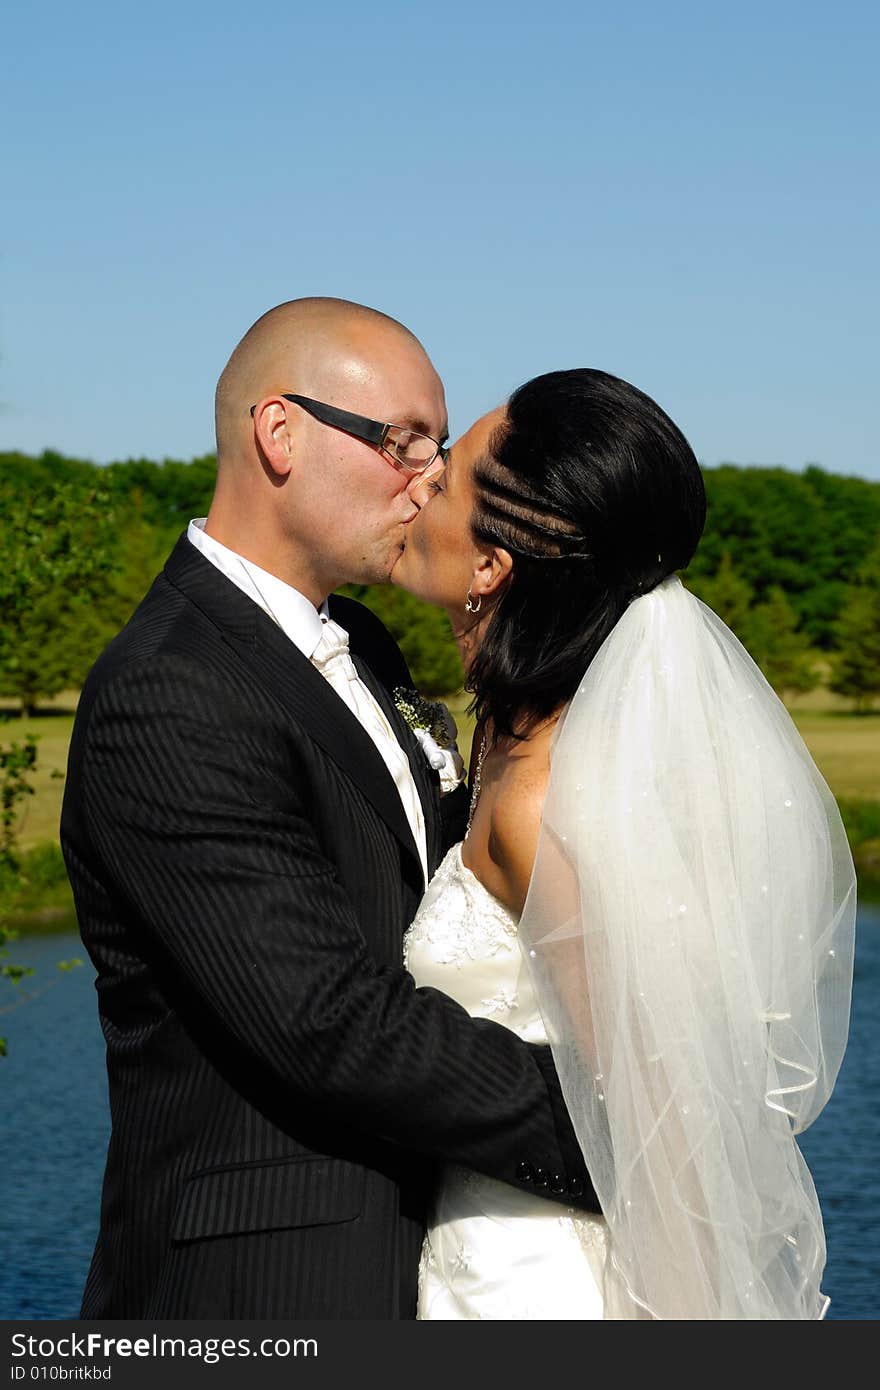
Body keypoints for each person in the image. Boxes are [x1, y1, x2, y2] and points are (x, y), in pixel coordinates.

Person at [60, 300, 599, 1321]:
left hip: (438, 1252)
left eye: (437, 448)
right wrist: (618, 1138)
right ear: (280, 434)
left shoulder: (370, 647)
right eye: (401, 443)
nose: (433, 480)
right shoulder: (168, 691)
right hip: (266, 1288)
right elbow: (329, 1025)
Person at [393, 368, 856, 1319]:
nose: (419, 479)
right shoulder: (505, 741)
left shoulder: (542, 802)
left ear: (493, 566)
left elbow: (672, 1134)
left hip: (540, 1289)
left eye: (446, 478)